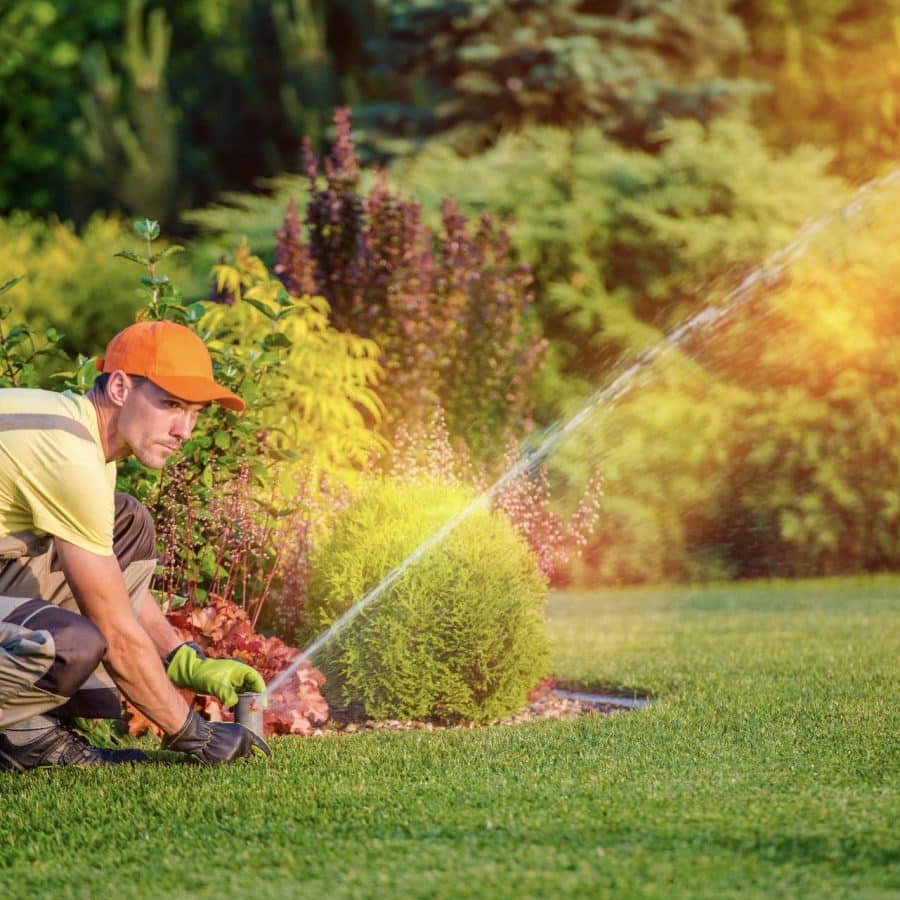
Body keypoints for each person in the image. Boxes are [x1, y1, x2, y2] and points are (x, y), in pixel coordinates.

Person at [0, 320, 271, 771]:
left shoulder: (81, 438)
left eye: (195, 413)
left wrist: (180, 659)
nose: (185, 429)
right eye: (171, 405)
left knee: (125, 521)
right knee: (67, 644)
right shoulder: (66, 452)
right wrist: (192, 733)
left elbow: (115, 588)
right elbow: (115, 628)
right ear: (122, 387)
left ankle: (22, 738)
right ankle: (22, 734)